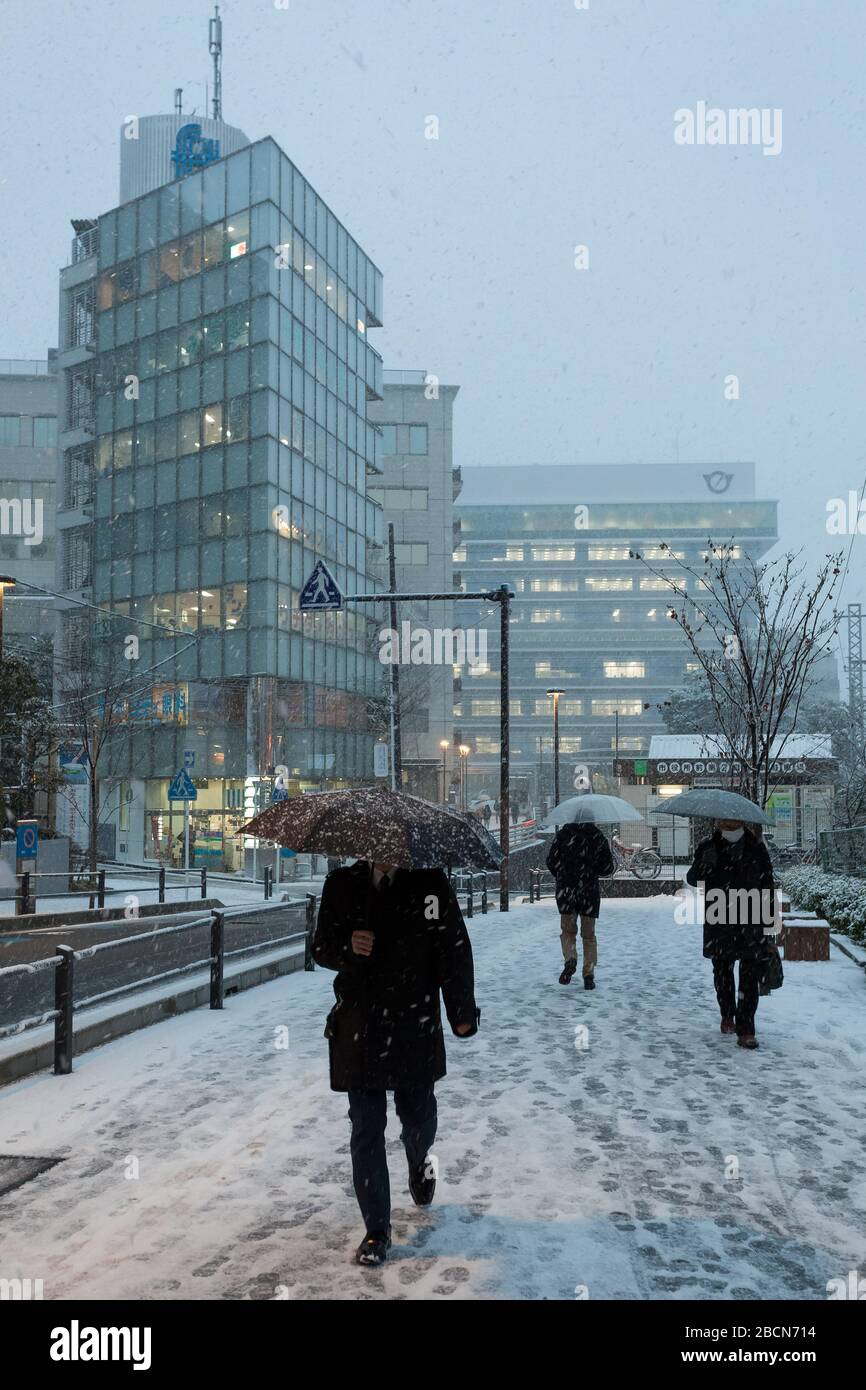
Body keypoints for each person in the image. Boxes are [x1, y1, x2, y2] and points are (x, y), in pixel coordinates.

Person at [313, 859, 479, 1267]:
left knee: (417, 1114)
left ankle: (419, 1157)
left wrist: (461, 1010)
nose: (382, 851)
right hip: (359, 1024)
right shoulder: (342, 884)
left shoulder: (428, 884)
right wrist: (347, 948)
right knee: (366, 1127)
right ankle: (376, 1230)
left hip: (413, 1022)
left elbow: (452, 948)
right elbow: (320, 947)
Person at [686, 818, 774, 1049]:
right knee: (722, 972)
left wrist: (770, 927)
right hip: (720, 919)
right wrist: (705, 865)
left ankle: (746, 1029)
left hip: (751, 919)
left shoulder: (756, 848)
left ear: (741, 821)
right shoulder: (708, 847)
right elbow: (692, 879)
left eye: (732, 819)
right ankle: (727, 1013)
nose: (727, 822)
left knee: (749, 977)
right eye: (723, 819)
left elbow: (767, 886)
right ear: (717, 822)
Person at [546, 821, 614, 989]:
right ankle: (588, 973)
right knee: (589, 935)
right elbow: (607, 868)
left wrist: (562, 874)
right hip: (589, 891)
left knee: (568, 931)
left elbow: (550, 861)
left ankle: (570, 959)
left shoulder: (563, 835)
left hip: (566, 890)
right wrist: (591, 869)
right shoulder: (598, 836)